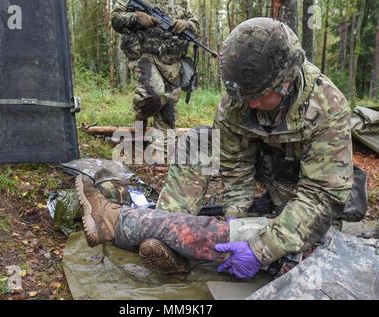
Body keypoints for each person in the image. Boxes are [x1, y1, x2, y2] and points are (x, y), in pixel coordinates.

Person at [79, 17, 354, 280]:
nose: (250, 105)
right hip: (262, 172)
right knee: (199, 141)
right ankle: (168, 230)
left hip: (298, 192)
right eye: (244, 97)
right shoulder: (239, 99)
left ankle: (149, 230)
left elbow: (321, 196)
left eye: (257, 97)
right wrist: (237, 220)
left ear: (285, 82)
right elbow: (236, 165)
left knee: (311, 244)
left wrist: (261, 250)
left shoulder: (327, 107)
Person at [111, 0, 199, 135]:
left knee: (168, 111)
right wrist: (136, 17)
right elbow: (116, 19)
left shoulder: (182, 2)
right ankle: (141, 120)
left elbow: (196, 27)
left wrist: (186, 24)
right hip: (144, 54)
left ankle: (162, 152)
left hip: (172, 59)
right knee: (154, 95)